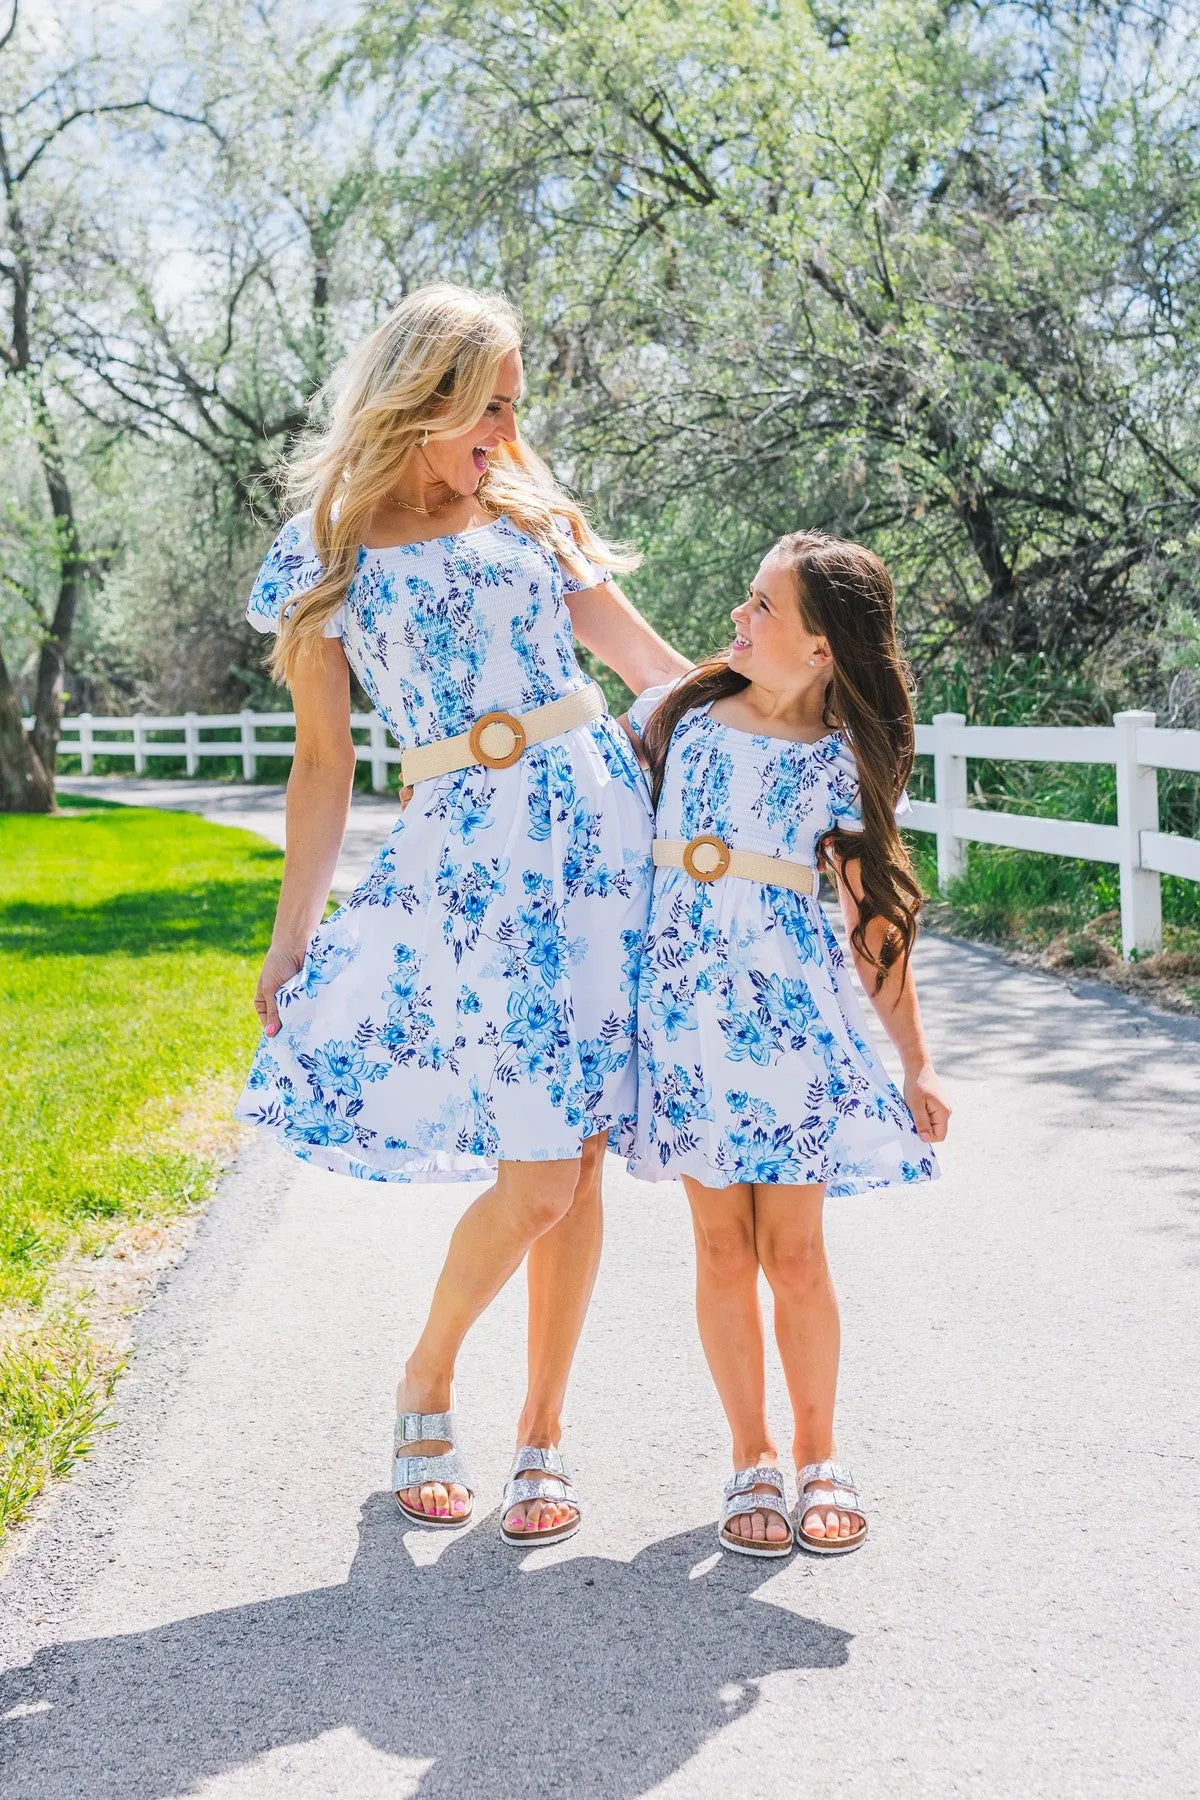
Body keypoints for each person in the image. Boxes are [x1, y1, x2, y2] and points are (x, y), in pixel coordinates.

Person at [236, 283, 687, 1544]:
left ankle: (543, 1432)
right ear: (420, 393)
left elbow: (651, 676)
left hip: (600, 831)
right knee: (537, 1166)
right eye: (486, 404)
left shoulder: (533, 515)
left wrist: (796, 738)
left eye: (512, 404)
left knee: (579, 1148)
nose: (502, 426)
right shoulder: (322, 546)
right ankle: (430, 1371)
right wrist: (292, 939)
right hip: (468, 861)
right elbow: (323, 764)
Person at [621, 531, 951, 1557]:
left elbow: (873, 923)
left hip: (789, 1029)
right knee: (721, 1249)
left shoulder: (839, 763)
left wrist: (916, 1059)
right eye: (749, 596)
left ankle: (819, 1454)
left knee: (794, 1253)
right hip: (683, 1021)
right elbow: (583, 819)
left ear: (821, 651)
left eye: (764, 607)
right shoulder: (676, 716)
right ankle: (750, 1457)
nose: (738, 618)